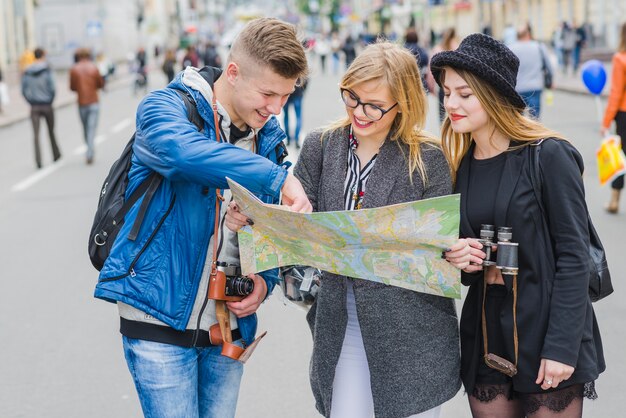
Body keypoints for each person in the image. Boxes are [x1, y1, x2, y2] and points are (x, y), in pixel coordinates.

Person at [93, 17, 311, 418]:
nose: (276, 107)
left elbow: (268, 228)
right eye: (268, 93)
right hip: (157, 317)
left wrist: (265, 281)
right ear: (233, 72)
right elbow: (182, 155)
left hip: (226, 328)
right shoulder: (164, 107)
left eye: (286, 95)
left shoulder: (268, 136)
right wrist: (276, 176)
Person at [277, 41, 461, 418]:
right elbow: (297, 223)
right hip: (339, 323)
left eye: (375, 105)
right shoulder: (321, 146)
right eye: (352, 97)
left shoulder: (427, 159)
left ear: (404, 103)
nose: (360, 112)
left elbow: (441, 250)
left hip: (412, 331)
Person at [431, 33, 605, 417]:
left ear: (493, 95)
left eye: (464, 94)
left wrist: (561, 346)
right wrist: (463, 257)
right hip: (486, 332)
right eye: (446, 93)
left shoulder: (549, 155)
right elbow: (464, 254)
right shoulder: (459, 164)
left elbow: (575, 257)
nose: (450, 104)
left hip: (546, 331)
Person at [21, 47, 62, 169]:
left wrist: (30, 100)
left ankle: (38, 160)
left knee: (36, 135)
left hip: (34, 106)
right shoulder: (47, 69)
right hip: (47, 105)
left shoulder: (27, 71)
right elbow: (53, 87)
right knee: (51, 131)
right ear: (42, 56)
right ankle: (56, 155)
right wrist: (50, 99)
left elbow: (23, 90)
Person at [601, 22, 626, 214]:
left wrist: (606, 121)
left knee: (620, 157)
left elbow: (616, 93)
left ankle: (615, 200)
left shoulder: (620, 58)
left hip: (624, 114)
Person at [509, 24, 553, 119]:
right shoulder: (539, 47)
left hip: (517, 88)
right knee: (535, 118)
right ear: (528, 34)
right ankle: (535, 133)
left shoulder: (511, 48)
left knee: (518, 120)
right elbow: (548, 66)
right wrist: (551, 81)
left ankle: (520, 133)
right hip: (535, 86)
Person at [70, 48, 104, 165]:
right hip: (94, 102)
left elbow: (72, 87)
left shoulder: (74, 69)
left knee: (85, 128)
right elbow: (100, 84)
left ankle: (89, 151)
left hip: (82, 103)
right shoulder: (94, 67)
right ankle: (90, 151)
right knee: (91, 128)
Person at [431, 28, 459, 122]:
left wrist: (431, 86)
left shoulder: (437, 49)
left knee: (442, 110)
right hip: (456, 83)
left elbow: (431, 70)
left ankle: (443, 127)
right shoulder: (456, 47)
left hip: (442, 84)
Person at [404, 28, 436, 94]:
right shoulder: (422, 50)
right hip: (419, 82)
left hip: (405, 83)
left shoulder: (401, 51)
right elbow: (426, 63)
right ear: (417, 38)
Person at [282, 79, 307, 148]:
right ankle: (296, 139)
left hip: (286, 93)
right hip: (298, 92)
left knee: (286, 116)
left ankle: (288, 139)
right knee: (298, 117)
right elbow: (306, 79)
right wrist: (303, 90)